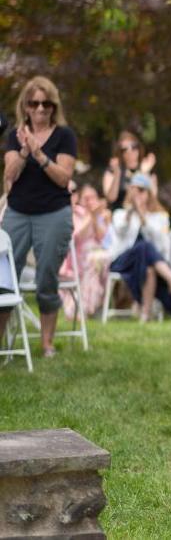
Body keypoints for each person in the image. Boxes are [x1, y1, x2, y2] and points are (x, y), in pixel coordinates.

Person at [0, 76, 77, 358]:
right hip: (18, 213)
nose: (41, 109)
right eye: (34, 103)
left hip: (54, 214)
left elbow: (63, 178)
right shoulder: (14, 136)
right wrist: (23, 149)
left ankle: (46, 344)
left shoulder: (65, 136)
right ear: (26, 106)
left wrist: (39, 154)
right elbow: (9, 175)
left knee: (46, 277)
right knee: (4, 280)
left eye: (46, 103)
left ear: (53, 106)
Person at [108, 173, 171, 322]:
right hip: (123, 262)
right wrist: (130, 212)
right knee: (144, 246)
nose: (137, 195)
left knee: (149, 267)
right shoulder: (120, 214)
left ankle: (145, 315)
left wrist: (143, 217)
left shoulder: (160, 216)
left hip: (149, 262)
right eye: (134, 190)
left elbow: (161, 243)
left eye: (141, 190)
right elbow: (120, 232)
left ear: (149, 193)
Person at [59, 183, 111, 319]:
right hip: (77, 255)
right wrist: (90, 216)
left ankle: (85, 308)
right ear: (81, 200)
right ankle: (83, 309)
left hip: (96, 254)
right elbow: (77, 237)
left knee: (100, 260)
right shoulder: (75, 213)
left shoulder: (100, 215)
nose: (90, 201)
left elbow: (101, 237)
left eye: (93, 197)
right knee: (94, 262)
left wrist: (95, 217)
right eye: (86, 198)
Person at [103, 129, 158, 211]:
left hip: (142, 217)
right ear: (119, 152)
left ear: (139, 148)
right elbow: (111, 198)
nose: (130, 152)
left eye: (134, 147)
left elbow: (153, 199)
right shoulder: (112, 171)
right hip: (119, 216)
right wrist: (117, 173)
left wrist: (144, 173)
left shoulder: (147, 168)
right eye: (124, 149)